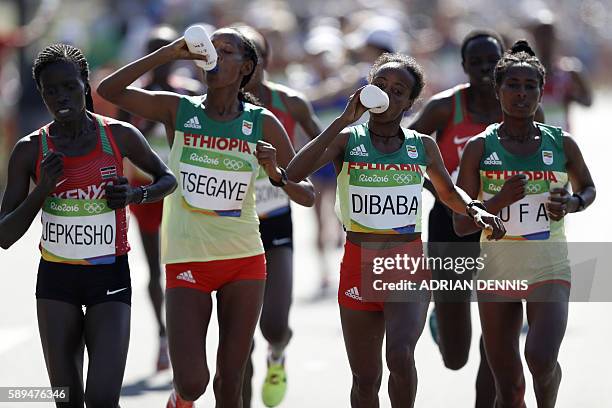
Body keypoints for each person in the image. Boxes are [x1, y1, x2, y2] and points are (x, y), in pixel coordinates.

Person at [97, 27, 315, 408]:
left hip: (244, 258)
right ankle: (179, 399)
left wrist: (277, 173)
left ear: (246, 67)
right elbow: (110, 92)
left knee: (229, 382)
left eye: (226, 50)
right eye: (209, 50)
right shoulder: (178, 109)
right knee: (193, 383)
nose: (213, 56)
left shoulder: (262, 123)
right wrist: (167, 54)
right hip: (187, 257)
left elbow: (307, 194)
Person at [287, 53, 505, 407]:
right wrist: (343, 119)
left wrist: (474, 210)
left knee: (400, 357)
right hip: (358, 265)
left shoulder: (422, 146)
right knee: (365, 379)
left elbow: (448, 191)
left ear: (409, 102)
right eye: (381, 85)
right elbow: (294, 173)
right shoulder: (347, 140)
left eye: (398, 90)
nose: (387, 94)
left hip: (407, 265)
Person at [0, 43, 177, 407]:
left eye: (68, 86)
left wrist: (133, 197)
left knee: (101, 400)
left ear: (85, 84)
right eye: (51, 90)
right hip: (56, 283)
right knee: (67, 401)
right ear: (42, 94)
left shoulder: (119, 136)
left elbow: (166, 179)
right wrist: (42, 192)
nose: (61, 97)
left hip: (109, 279)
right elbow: (4, 235)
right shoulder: (31, 149)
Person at [453, 40, 596, 407]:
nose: (522, 93)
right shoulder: (479, 148)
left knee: (541, 359)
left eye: (530, 86)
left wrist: (573, 202)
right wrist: (496, 203)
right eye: (513, 86)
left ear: (541, 91)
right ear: (497, 90)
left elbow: (589, 189)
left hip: (549, 266)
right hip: (498, 271)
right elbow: (460, 224)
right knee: (509, 387)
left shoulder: (561, 144)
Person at [410, 30, 545, 407]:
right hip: (453, 223)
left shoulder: (527, 107)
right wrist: (441, 188)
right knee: (455, 357)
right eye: (477, 62)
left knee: (498, 330)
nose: (485, 69)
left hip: (507, 227)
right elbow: (405, 152)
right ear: (465, 66)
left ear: (503, 62)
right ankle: (444, 316)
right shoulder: (444, 107)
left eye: (492, 61)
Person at [237, 26, 322, 408]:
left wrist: (294, 172)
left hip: (274, 218)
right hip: (228, 226)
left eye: (247, 56)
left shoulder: (290, 103)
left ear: (263, 61)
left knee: (272, 325)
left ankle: (276, 355)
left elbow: (328, 147)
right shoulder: (212, 105)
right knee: (238, 335)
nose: (236, 65)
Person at [121, 25, 201, 372]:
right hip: (149, 195)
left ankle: (188, 336)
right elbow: (123, 140)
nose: (164, 62)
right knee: (155, 269)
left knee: (185, 267)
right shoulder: (136, 98)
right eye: (157, 52)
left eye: (167, 51)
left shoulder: (188, 94)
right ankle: (164, 336)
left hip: (185, 195)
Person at [530, 10, 593, 130]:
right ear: (534, 37)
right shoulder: (526, 71)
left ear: (556, 37)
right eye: (542, 34)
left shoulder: (570, 70)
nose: (545, 40)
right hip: (534, 141)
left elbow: (588, 101)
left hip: (561, 139)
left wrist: (572, 96)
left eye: (549, 34)